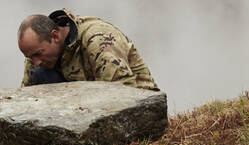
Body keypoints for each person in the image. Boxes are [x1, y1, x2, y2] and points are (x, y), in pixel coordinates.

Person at [17, 9, 158, 90]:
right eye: (29, 57)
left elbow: (124, 91)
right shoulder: (35, 56)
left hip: (139, 110)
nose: (35, 62)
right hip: (84, 114)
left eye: (38, 54)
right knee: (40, 76)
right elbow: (26, 100)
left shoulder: (98, 39)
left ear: (54, 36)